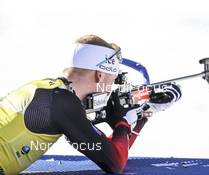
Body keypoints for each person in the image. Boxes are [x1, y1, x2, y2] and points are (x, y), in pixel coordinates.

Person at [0, 34, 181, 174]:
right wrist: (123, 121)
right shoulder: (64, 104)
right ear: (99, 75)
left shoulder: (46, 88)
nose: (110, 88)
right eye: (112, 80)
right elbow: (115, 163)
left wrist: (142, 115)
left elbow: (106, 152)